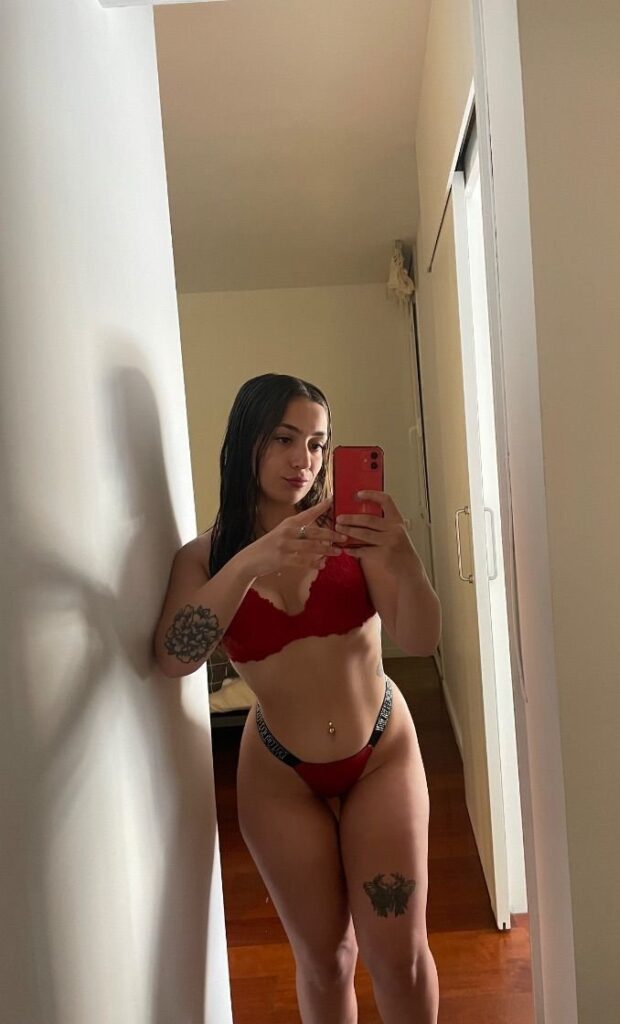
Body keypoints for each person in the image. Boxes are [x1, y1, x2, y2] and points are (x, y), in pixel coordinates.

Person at [154, 373, 441, 1024]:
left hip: (381, 753)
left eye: (317, 443)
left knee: (398, 956)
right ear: (246, 442)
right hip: (280, 776)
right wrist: (250, 562)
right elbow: (174, 657)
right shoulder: (204, 560)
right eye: (284, 439)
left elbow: (421, 640)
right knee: (325, 960)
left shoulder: (353, 534)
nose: (303, 460)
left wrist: (404, 558)